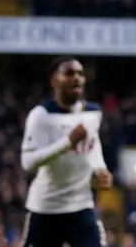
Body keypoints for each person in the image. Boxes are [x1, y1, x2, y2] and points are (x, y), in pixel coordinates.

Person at [19, 57, 112, 247]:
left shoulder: (93, 112)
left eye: (80, 74)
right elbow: (28, 163)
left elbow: (93, 145)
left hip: (81, 206)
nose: (76, 78)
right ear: (54, 81)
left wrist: (101, 169)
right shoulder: (41, 116)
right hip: (46, 208)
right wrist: (66, 143)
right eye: (69, 73)